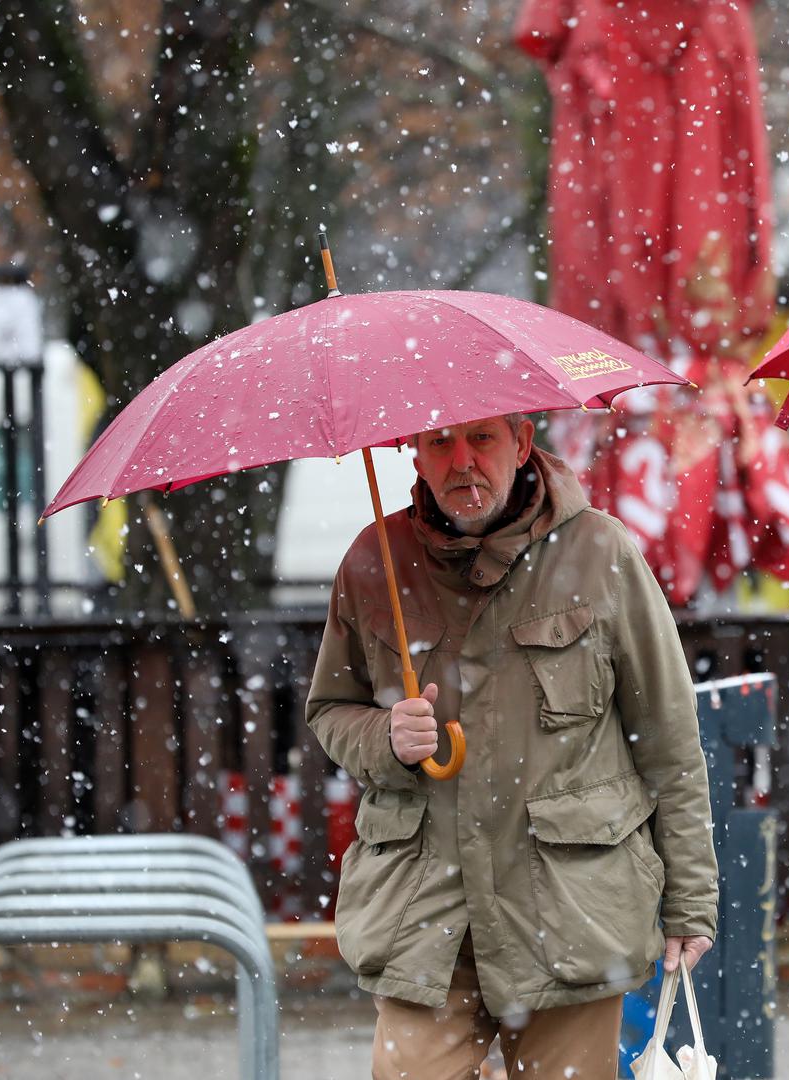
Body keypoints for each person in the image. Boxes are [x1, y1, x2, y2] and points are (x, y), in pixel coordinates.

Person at [307, 413, 718, 1080]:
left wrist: (690, 901)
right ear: (413, 453)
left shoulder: (602, 553)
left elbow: (669, 742)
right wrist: (382, 736)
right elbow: (329, 709)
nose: (461, 461)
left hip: (568, 907)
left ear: (522, 443)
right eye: (439, 441)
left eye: (482, 439)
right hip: (424, 912)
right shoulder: (370, 562)